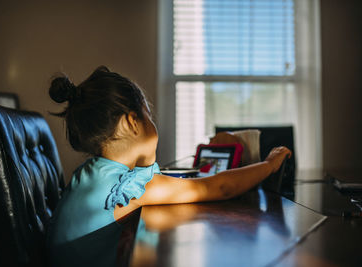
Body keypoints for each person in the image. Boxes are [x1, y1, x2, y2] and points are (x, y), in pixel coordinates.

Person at [46, 66, 291, 264]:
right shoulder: (128, 188)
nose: (153, 122)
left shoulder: (91, 175)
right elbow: (220, 187)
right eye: (148, 115)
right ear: (132, 122)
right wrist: (269, 164)